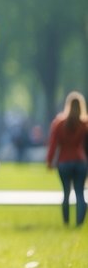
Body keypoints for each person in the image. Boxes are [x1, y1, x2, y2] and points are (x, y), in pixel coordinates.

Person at [45, 91, 88, 227]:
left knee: (66, 193)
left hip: (64, 161)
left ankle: (66, 222)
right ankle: (79, 223)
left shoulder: (59, 123)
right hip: (80, 161)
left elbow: (53, 144)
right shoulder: (84, 124)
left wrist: (50, 161)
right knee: (80, 193)